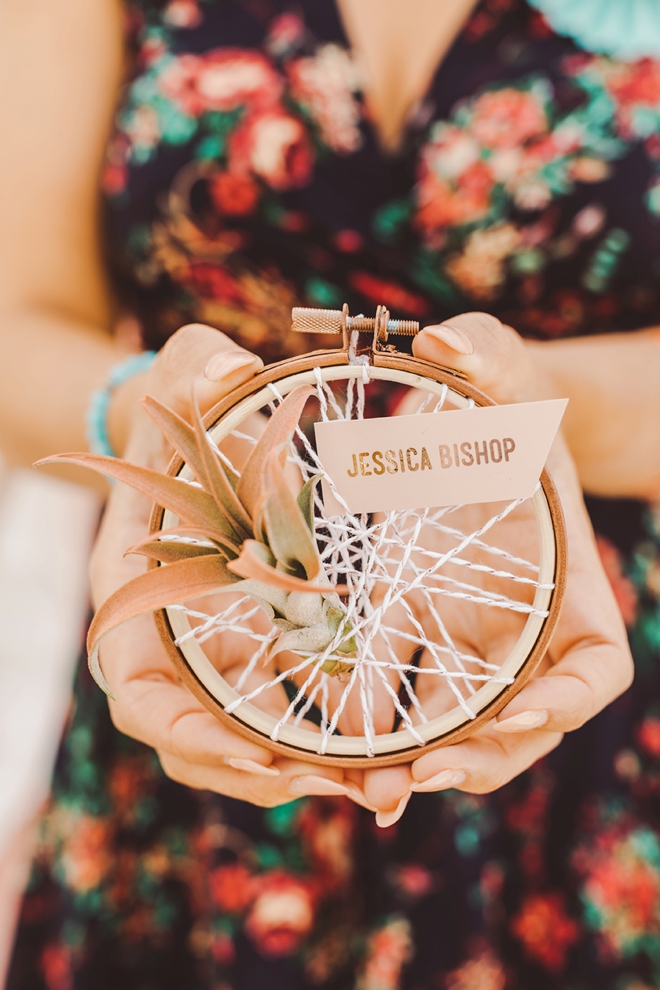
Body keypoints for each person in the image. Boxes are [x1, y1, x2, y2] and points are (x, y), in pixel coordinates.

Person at [3, 0, 660, 986]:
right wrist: (156, 414)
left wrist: (527, 415)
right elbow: (20, 323)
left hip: (564, 665)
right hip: (224, 642)